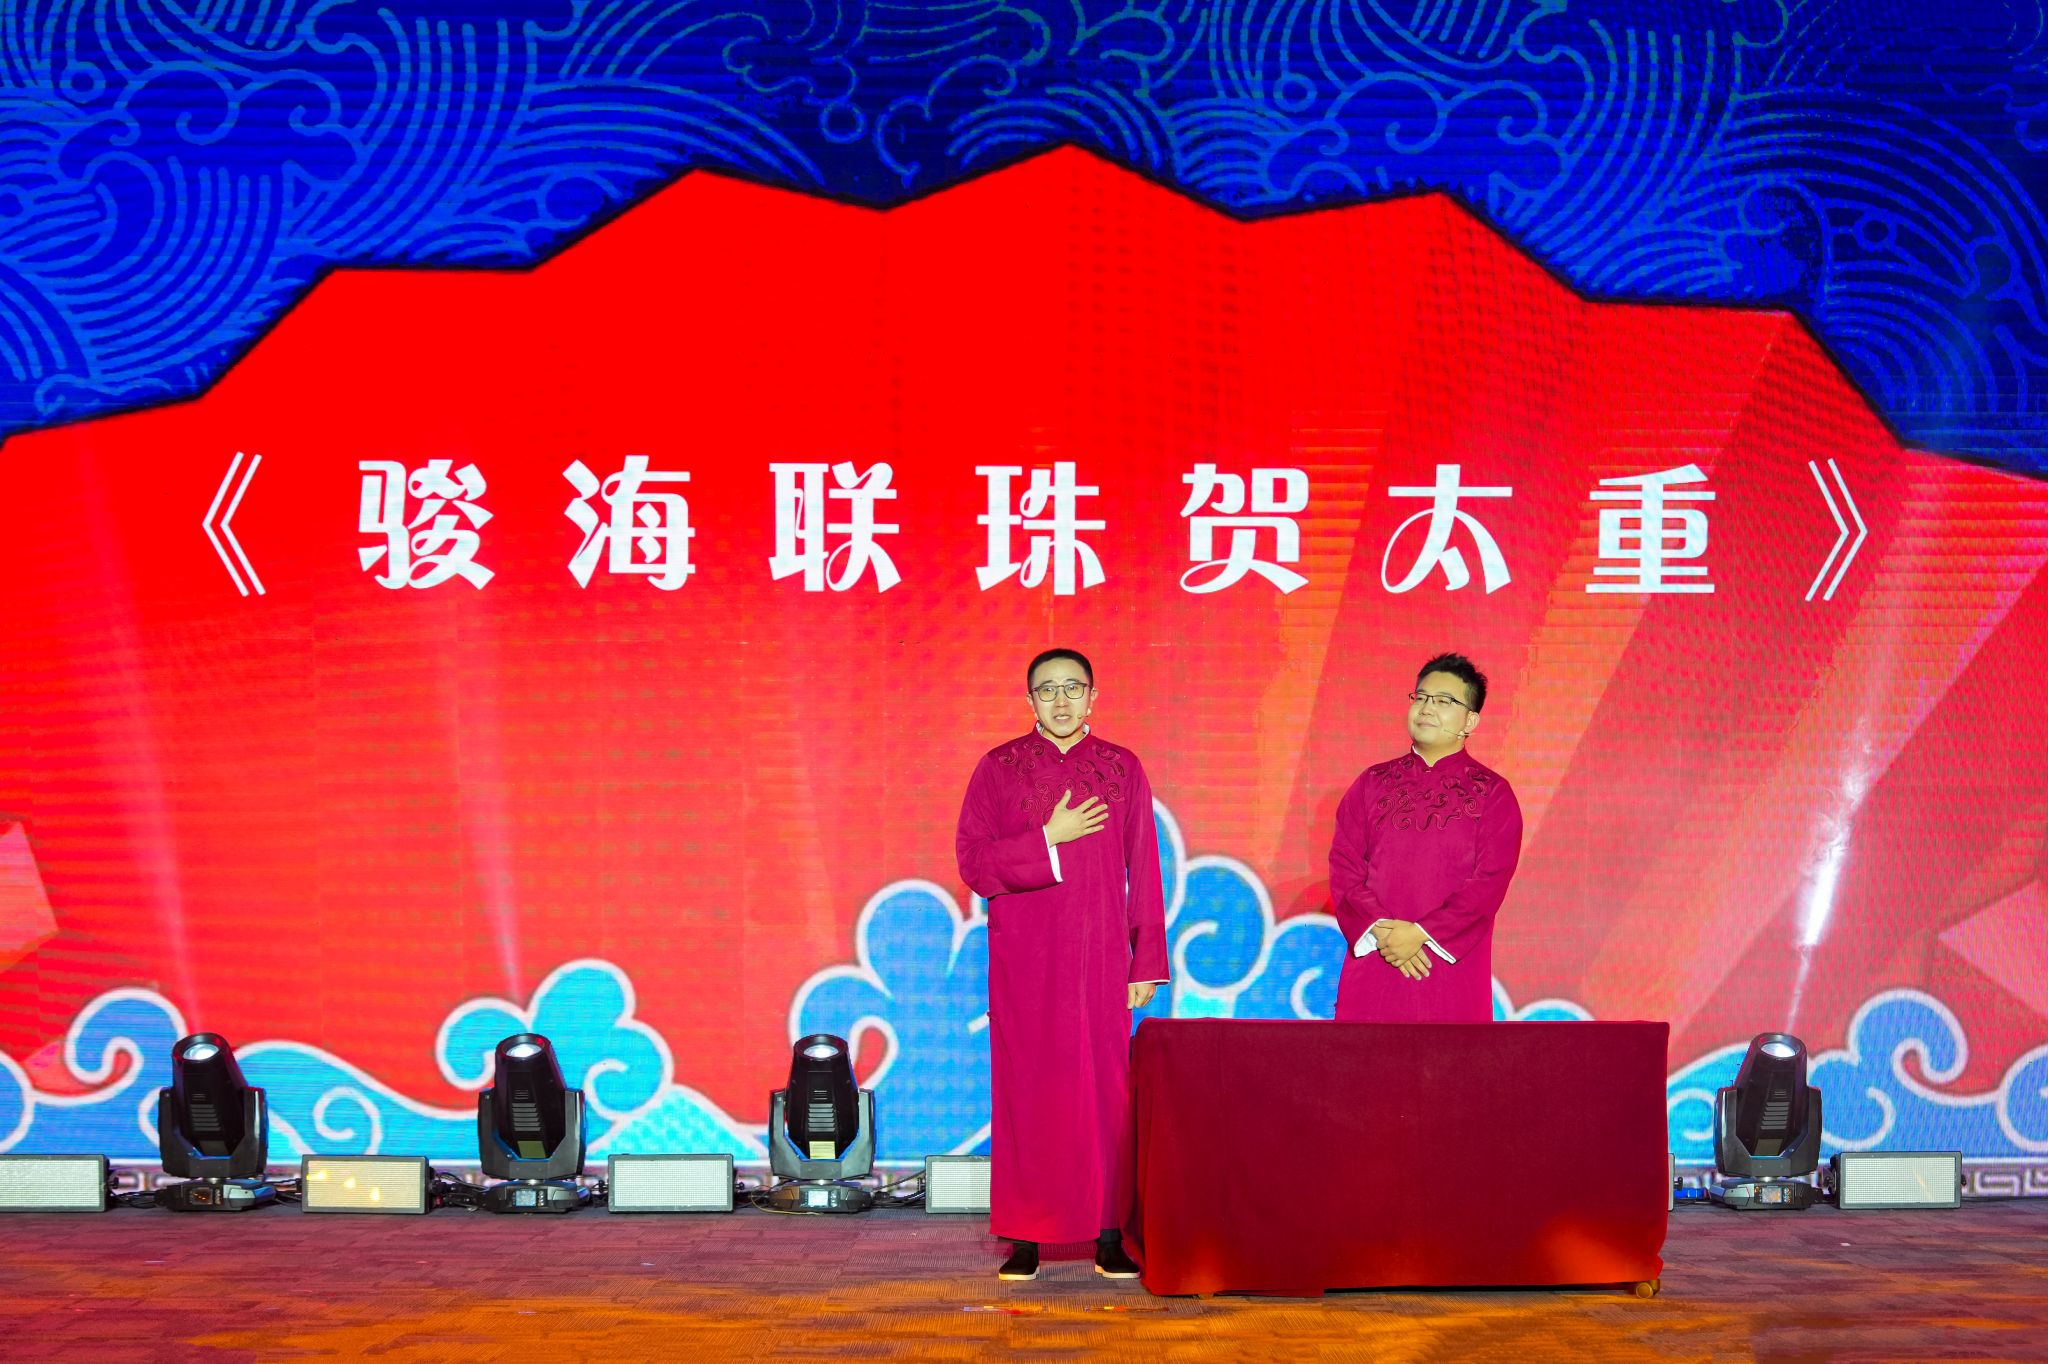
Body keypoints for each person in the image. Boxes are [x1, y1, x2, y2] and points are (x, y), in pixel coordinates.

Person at [955, 647, 1169, 1282]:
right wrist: (1047, 837)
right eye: (1046, 690)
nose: (1061, 700)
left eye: (1073, 687)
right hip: (1025, 959)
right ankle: (1027, 1234)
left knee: (1105, 1091)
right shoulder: (998, 768)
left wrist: (1144, 963)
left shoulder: (1123, 767)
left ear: (1093, 696)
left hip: (1100, 956)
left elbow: (1144, 868)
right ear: (1029, 701)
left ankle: (1108, 1232)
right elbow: (974, 862)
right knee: (1028, 1090)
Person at [1328, 653, 1523, 1023]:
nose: (1427, 708)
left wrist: (1421, 933)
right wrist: (1383, 931)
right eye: (1421, 697)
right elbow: (1344, 866)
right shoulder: (1371, 783)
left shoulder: (1493, 794)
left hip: (1447, 972)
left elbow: (1488, 884)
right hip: (1377, 959)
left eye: (1444, 701)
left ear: (1470, 721)